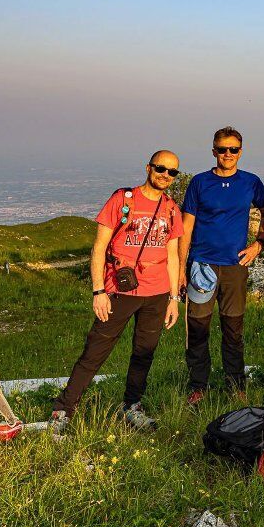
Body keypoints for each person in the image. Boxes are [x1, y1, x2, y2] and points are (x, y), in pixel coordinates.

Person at [50, 151, 184, 434]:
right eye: (161, 168)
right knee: (95, 351)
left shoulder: (172, 208)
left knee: (143, 353)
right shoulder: (123, 200)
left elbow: (173, 256)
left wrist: (174, 298)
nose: (166, 175)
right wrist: (98, 290)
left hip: (158, 293)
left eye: (173, 172)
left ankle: (132, 406)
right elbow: (99, 247)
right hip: (119, 291)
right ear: (148, 168)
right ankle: (63, 409)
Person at [179, 127, 264, 404]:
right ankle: (198, 385)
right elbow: (187, 226)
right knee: (197, 328)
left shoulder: (251, 182)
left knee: (233, 328)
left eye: (233, 149)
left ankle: (235, 383)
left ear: (240, 152)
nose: (227, 154)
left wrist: (259, 244)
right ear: (214, 151)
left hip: (234, 267)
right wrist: (181, 271)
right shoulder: (199, 183)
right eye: (222, 149)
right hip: (201, 266)